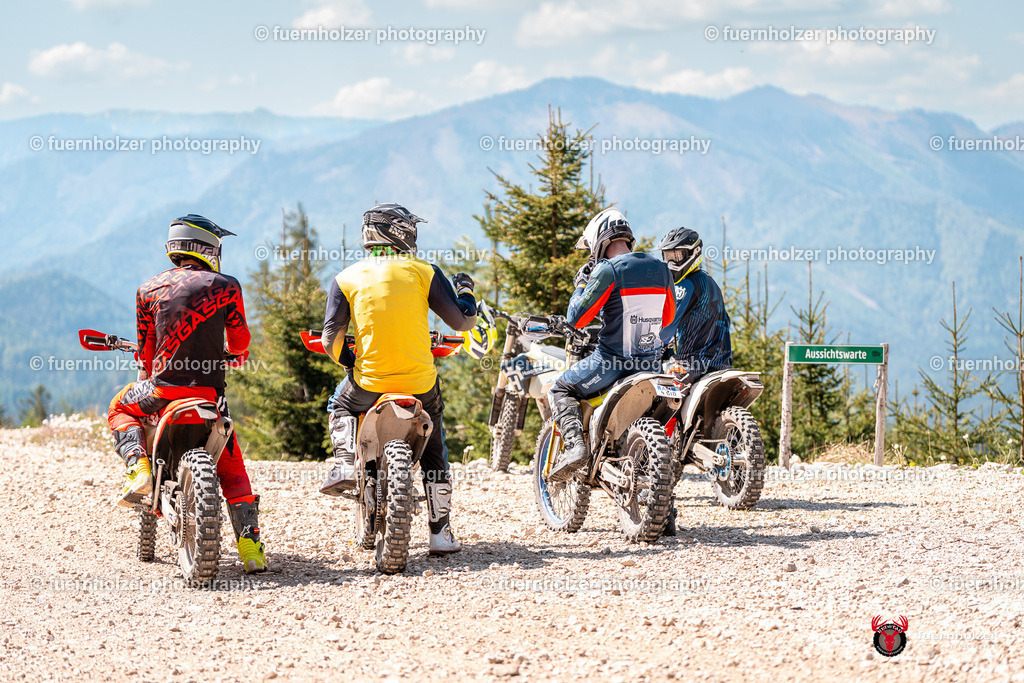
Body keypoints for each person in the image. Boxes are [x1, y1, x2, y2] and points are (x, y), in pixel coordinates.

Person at [107, 214, 267, 574]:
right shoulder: (226, 286)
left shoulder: (147, 289)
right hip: (210, 395)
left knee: (118, 407)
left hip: (162, 391)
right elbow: (240, 341)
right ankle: (251, 548)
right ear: (208, 248)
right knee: (231, 463)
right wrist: (232, 354)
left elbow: (146, 352)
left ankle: (139, 468)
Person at [318, 203, 477, 555]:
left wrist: (349, 362)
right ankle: (440, 533)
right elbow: (462, 322)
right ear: (401, 233)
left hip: (369, 383)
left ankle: (344, 463)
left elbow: (331, 339)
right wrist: (466, 291)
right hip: (420, 384)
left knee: (339, 404)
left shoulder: (346, 278)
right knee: (434, 446)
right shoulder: (424, 271)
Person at [547, 208, 676, 482]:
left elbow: (577, 319)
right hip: (652, 367)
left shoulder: (608, 270)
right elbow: (668, 318)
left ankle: (575, 449)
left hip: (611, 363)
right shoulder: (662, 269)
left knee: (561, 388)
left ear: (598, 242)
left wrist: (581, 285)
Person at [658, 227, 732, 380]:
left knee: (650, 387)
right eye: (667, 257)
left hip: (689, 366)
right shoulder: (709, 281)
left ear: (693, 253)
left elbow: (665, 332)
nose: (670, 263)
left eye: (676, 256)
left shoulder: (686, 286)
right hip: (720, 364)